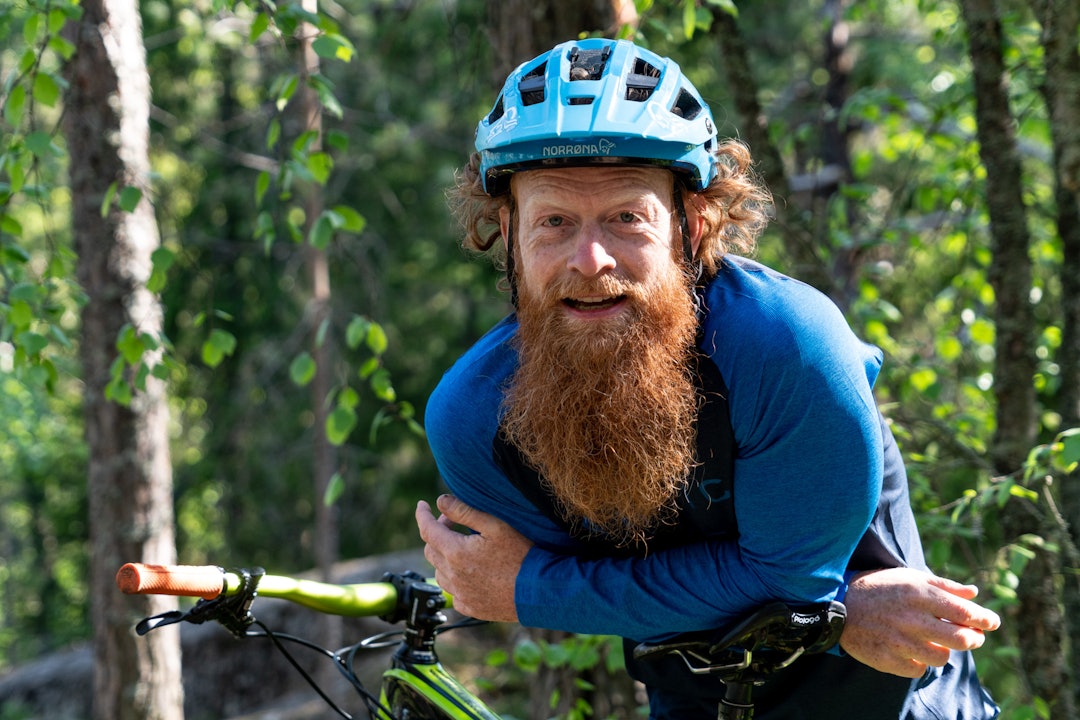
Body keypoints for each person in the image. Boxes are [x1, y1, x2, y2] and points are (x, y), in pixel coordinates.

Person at [416, 38, 1000, 718]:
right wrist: (839, 608)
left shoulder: (788, 347)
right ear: (508, 233)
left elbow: (788, 583)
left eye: (627, 218)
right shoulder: (476, 422)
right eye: (553, 222)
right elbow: (599, 588)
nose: (590, 258)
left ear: (691, 226)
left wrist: (531, 590)